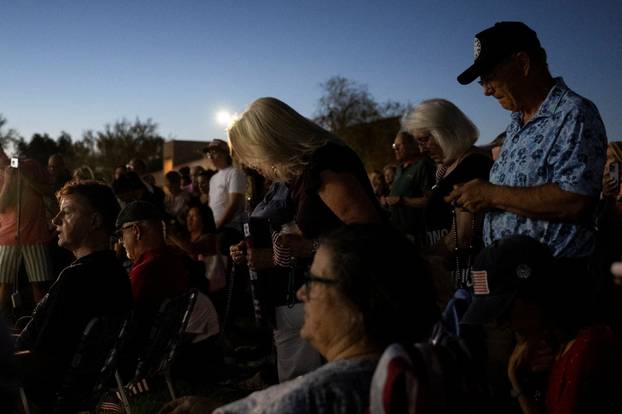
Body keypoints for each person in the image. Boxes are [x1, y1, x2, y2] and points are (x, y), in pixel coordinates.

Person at [160, 224, 440, 414]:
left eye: (314, 280)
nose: (301, 292)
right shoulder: (424, 370)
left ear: (357, 300)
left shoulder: (314, 399)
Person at [449, 21, 607, 266]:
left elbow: (577, 200)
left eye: (489, 77)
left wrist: (491, 195)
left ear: (522, 63)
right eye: (482, 81)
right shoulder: (515, 123)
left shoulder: (573, 113)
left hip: (553, 279)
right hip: (509, 273)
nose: (486, 91)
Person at [462, 235, 622, 413]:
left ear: (532, 293)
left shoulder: (588, 348)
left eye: (504, 312)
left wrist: (518, 384)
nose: (500, 324)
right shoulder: (553, 349)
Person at [14, 180, 132, 408]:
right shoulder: (115, 273)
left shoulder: (76, 279)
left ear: (95, 221)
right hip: (79, 389)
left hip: (34, 391)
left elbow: (41, 358)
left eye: (66, 212)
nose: (55, 220)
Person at [228, 97, 383, 253]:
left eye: (255, 156)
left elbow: (367, 231)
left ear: (271, 143)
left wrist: (310, 246)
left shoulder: (324, 161)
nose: (256, 165)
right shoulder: (303, 171)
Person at [115, 201, 221, 383]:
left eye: (122, 233)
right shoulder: (172, 259)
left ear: (136, 231)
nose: (121, 241)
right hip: (181, 350)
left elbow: (125, 324)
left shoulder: (146, 270)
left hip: (161, 358)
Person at [402, 99, 492, 292]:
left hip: (468, 279)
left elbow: (462, 235)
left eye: (425, 140)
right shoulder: (449, 168)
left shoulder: (473, 166)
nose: (421, 149)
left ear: (446, 132)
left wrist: (421, 260)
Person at [0, 147, 54, 316]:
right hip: (7, 237)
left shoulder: (30, 165)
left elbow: (49, 191)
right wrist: (9, 181)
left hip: (35, 235)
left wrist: (26, 177)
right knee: (4, 284)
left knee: (40, 284)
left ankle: (41, 322)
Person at [384, 130, 436, 247]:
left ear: (412, 145)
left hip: (419, 236)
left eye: (399, 145)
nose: (395, 149)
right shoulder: (399, 169)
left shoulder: (423, 166)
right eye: (394, 146)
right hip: (401, 234)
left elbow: (430, 200)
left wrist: (402, 200)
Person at [203, 139, 248, 253]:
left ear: (225, 153)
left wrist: (219, 225)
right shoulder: (213, 178)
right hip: (215, 229)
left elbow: (234, 203)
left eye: (214, 152)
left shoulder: (235, 173)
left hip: (230, 229)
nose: (211, 156)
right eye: (209, 153)